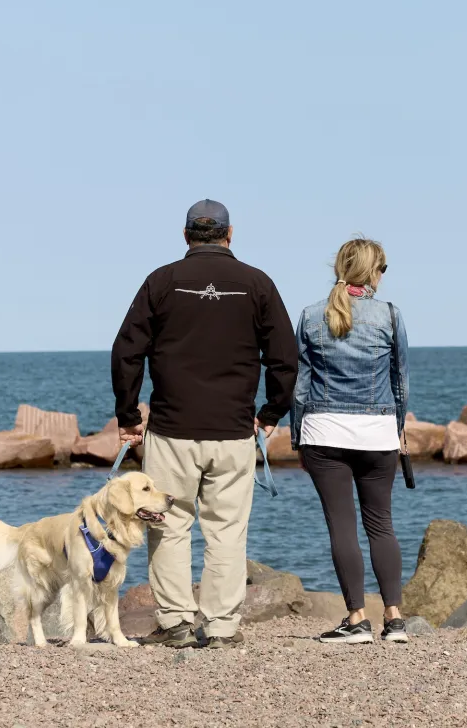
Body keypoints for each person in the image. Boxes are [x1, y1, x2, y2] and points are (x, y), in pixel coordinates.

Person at [111, 200, 299, 650]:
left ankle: (175, 622)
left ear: (185, 235)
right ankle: (220, 627)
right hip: (233, 431)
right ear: (229, 235)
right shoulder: (257, 283)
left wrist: (128, 416)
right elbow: (285, 357)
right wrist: (271, 413)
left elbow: (126, 351)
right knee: (227, 532)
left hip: (172, 429)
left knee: (169, 526)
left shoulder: (162, 281)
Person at [291, 238, 410, 645]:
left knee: (342, 527)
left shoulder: (310, 315)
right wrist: (397, 431)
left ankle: (356, 619)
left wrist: (297, 437)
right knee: (381, 524)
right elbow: (400, 382)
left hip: (323, 433)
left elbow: (299, 386)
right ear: (374, 272)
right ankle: (394, 619)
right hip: (378, 434)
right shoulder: (389, 315)